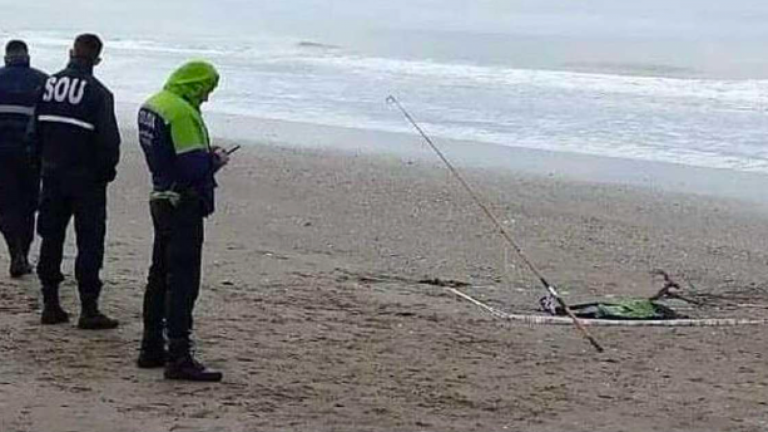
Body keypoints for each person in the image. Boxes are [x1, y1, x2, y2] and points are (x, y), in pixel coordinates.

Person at [136, 61, 229, 381]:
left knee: (159, 275)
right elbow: (192, 168)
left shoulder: (154, 104)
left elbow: (167, 154)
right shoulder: (181, 113)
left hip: (160, 196)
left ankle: (151, 346)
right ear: (194, 84)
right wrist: (215, 159)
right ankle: (179, 355)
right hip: (182, 204)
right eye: (206, 89)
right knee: (183, 280)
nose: (206, 97)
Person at [35, 34, 121, 329]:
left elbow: (33, 133)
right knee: (90, 243)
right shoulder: (99, 94)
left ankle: (50, 304)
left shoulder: (47, 85)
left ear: (71, 52)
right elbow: (109, 143)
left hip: (52, 175)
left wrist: (40, 166)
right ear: (97, 60)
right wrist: (105, 173)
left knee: (51, 238)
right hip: (86, 182)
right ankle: (89, 309)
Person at [0, 40, 47, 278]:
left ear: (6, 57)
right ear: (27, 56)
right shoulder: (43, 81)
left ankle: (15, 252)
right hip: (31, 153)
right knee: (28, 205)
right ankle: (24, 256)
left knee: (5, 205)